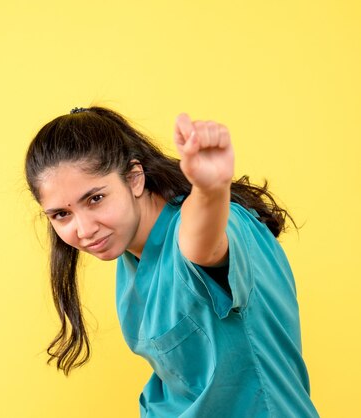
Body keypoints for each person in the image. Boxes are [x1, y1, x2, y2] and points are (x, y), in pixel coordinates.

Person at [24, 106, 319, 417]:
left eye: (95, 199)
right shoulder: (132, 252)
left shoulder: (203, 225)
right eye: (61, 214)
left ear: (135, 179)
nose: (83, 230)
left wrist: (209, 190)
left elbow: (201, 247)